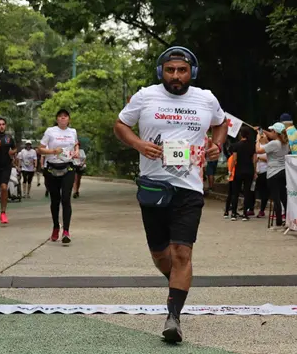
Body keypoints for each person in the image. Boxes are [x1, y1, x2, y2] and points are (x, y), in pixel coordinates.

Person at [113, 46, 226, 344]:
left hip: (189, 188)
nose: (176, 76)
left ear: (192, 73)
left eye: (182, 70)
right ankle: (177, 283)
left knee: (181, 253)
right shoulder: (145, 96)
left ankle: (173, 316)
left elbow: (221, 123)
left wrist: (217, 145)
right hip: (154, 186)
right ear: (161, 72)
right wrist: (138, 144)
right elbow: (121, 125)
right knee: (160, 254)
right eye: (170, 70)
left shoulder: (206, 98)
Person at [40, 109, 80, 244]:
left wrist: (76, 151)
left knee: (66, 199)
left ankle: (66, 231)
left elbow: (76, 143)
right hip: (52, 168)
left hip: (68, 168)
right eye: (60, 116)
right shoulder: (50, 131)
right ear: (57, 119)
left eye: (65, 116)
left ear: (69, 119)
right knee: (55, 200)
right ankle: (56, 226)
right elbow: (40, 149)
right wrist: (53, 151)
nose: (63, 118)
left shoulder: (72, 132)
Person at [260, 124, 289, 229]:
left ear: (275, 132)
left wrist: (258, 140)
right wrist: (262, 131)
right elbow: (270, 144)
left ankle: (278, 222)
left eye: (272, 131)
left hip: (273, 173)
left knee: (276, 198)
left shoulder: (274, 143)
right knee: (284, 197)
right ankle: (288, 219)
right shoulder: (285, 143)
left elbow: (258, 150)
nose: (270, 133)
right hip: (283, 171)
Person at [224, 127, 255, 221]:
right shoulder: (252, 146)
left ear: (241, 134)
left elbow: (234, 159)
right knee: (247, 192)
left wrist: (230, 171)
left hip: (239, 170)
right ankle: (245, 213)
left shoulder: (236, 145)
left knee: (235, 192)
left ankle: (233, 213)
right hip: (249, 170)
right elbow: (254, 160)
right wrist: (255, 171)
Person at [253, 133, 270, 218]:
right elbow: (254, 158)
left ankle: (262, 210)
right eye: (260, 135)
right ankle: (250, 208)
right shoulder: (257, 145)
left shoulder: (269, 146)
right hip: (257, 171)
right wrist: (254, 171)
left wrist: (260, 158)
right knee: (253, 190)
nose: (261, 137)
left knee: (264, 192)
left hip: (265, 170)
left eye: (263, 135)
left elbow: (269, 159)